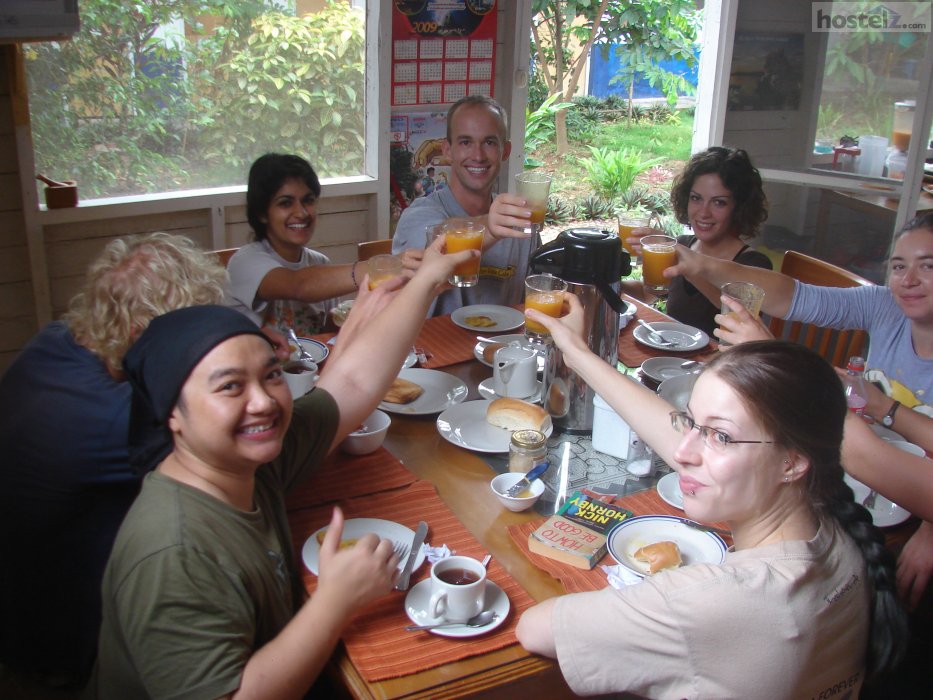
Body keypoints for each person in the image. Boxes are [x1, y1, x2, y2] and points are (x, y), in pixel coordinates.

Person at [87, 238, 473, 698]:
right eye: (230, 386)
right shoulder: (174, 550)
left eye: (271, 375)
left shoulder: (244, 462)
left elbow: (351, 381)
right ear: (172, 414)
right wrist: (335, 602)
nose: (263, 402)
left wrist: (428, 279)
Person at [515, 295, 907, 698]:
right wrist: (578, 354)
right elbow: (692, 444)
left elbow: (536, 629)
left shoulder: (716, 600)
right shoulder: (832, 522)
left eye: (719, 436)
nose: (684, 453)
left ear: (792, 463)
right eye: (692, 423)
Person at [0, 233, 229, 692]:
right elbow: (241, 457)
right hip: (60, 649)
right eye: (188, 335)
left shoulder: (60, 340)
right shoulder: (112, 415)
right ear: (138, 335)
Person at [670, 212, 933, 419]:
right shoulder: (886, 305)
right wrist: (701, 264)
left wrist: (770, 353)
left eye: (927, 266)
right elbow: (792, 296)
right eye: (899, 266)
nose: (908, 280)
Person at [226, 153, 418, 336]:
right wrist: (384, 267)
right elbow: (298, 285)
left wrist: (356, 312)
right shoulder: (245, 263)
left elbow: (325, 333)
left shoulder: (319, 263)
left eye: (308, 201)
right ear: (261, 213)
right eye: (285, 203)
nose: (301, 212)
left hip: (311, 368)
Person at [392, 95, 538, 316]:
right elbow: (437, 242)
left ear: (505, 151)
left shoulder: (519, 220)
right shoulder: (418, 215)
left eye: (489, 143)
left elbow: (539, 295)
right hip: (436, 347)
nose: (478, 155)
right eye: (466, 142)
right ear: (447, 150)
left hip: (505, 347)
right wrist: (489, 226)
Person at [624, 146, 773, 337]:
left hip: (721, 363)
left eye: (719, 202)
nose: (703, 213)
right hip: (673, 357)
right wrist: (606, 281)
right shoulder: (684, 244)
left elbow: (737, 317)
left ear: (739, 207)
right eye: (696, 198)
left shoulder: (754, 263)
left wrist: (687, 265)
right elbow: (648, 293)